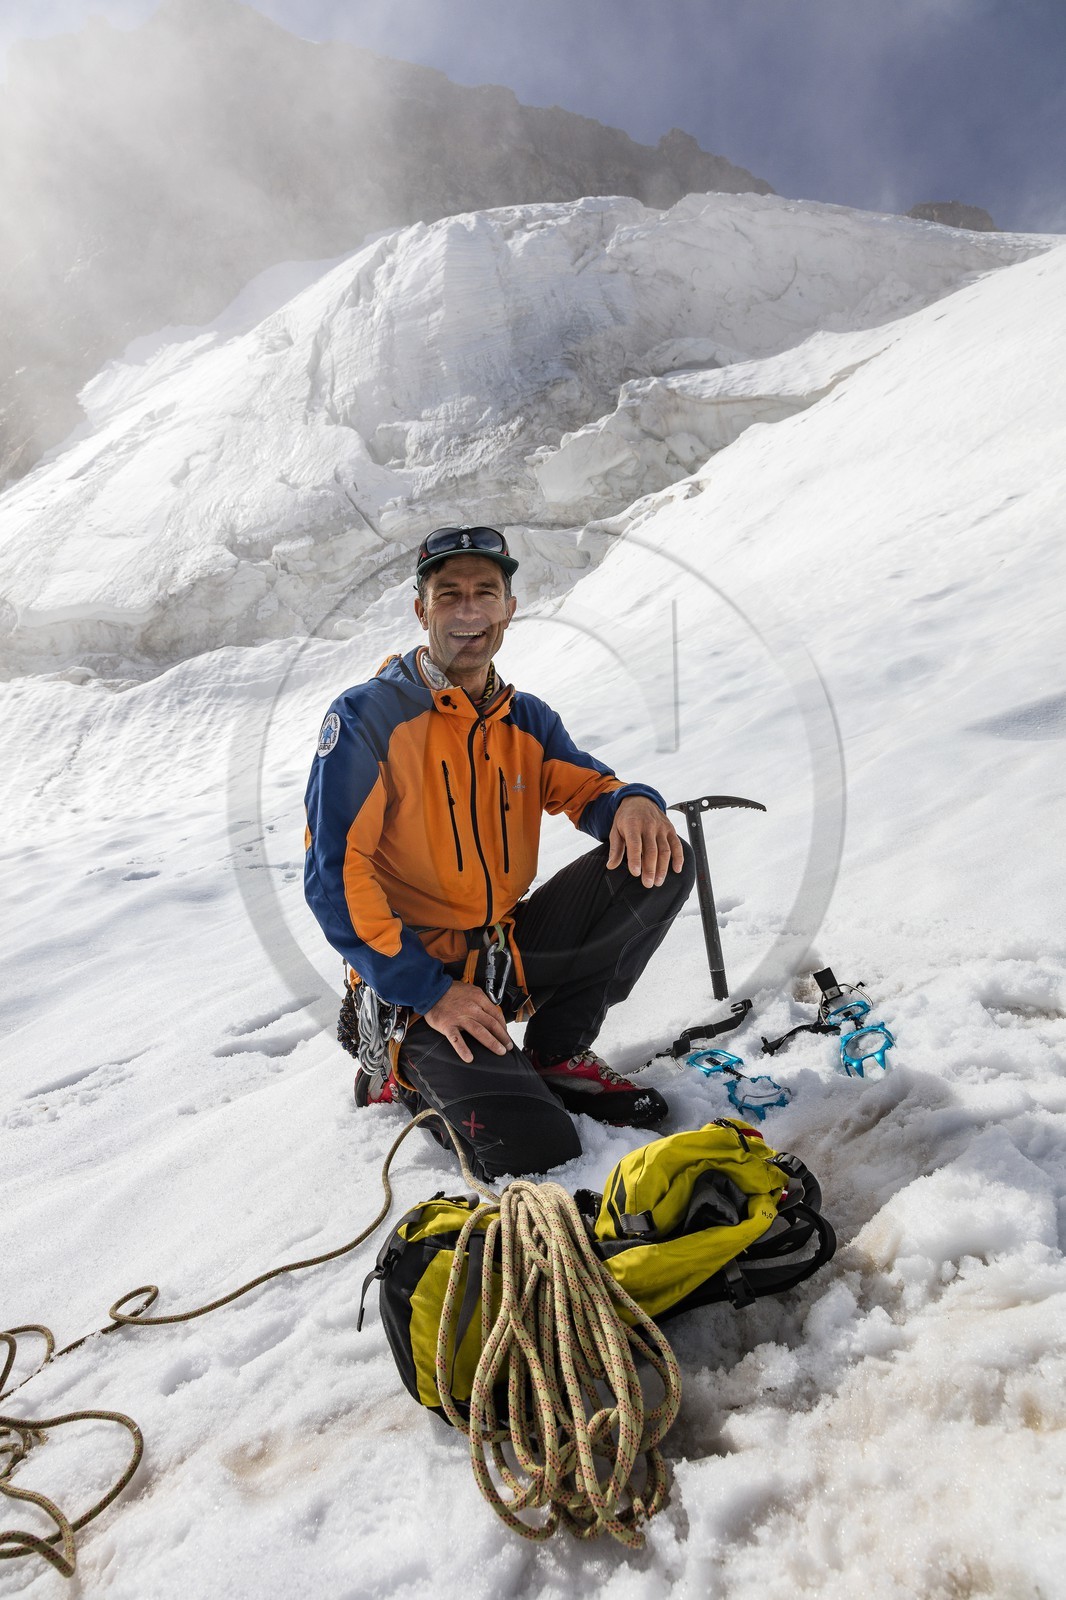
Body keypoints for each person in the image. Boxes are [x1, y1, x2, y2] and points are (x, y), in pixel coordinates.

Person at [304, 525, 695, 1180]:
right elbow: (334, 879)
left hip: (501, 954)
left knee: (659, 859)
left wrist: (633, 800)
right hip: (418, 979)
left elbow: (589, 791)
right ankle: (397, 1065)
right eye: (448, 592)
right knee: (538, 1147)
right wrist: (430, 993)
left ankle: (556, 1054)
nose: (467, 609)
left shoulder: (525, 719)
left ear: (508, 608)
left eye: (485, 592)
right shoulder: (369, 719)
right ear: (421, 609)